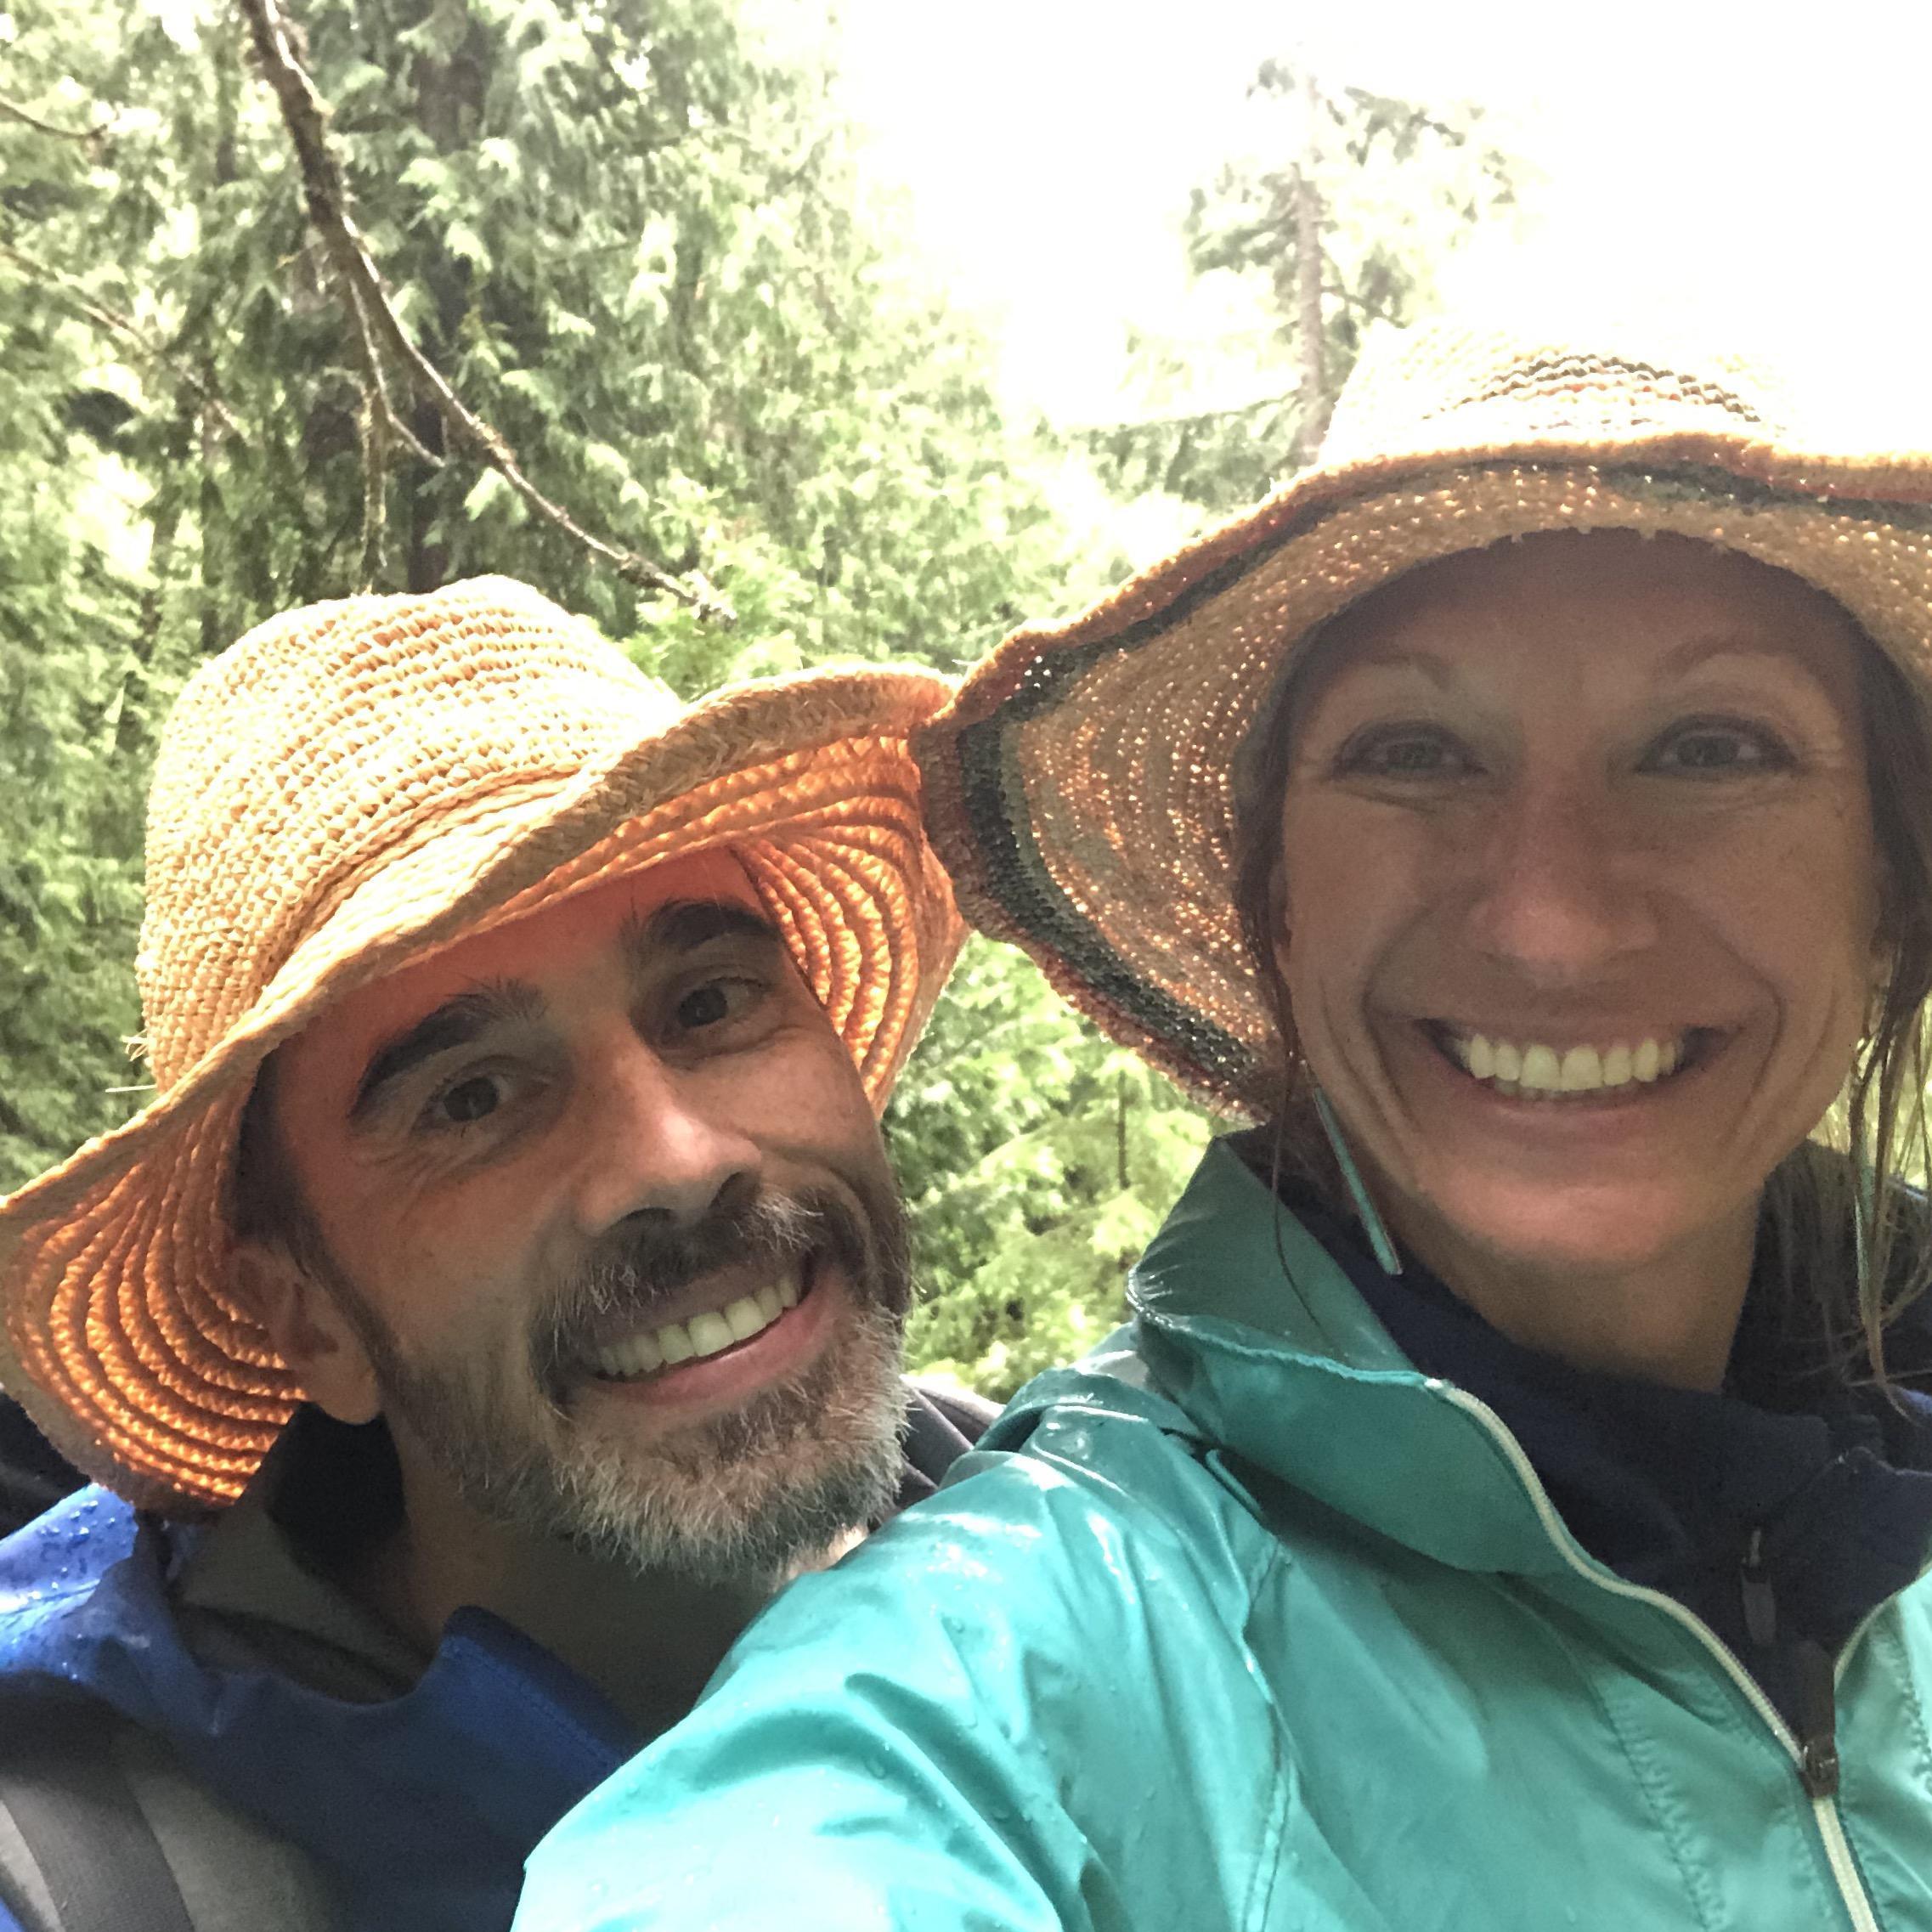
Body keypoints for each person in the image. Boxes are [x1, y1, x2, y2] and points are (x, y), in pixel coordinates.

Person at [515, 324, 1932, 1931]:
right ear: (1276, 903)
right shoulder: (1028, 1643)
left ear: (1886, 885)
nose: (1548, 920)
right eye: (1412, 752)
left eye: (1708, 750)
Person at [0, 575, 983, 1932]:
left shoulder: (1125, 1563)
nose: (676, 1158)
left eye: (710, 1000)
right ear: (305, 1322)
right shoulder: (82, 1866)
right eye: (471, 1096)